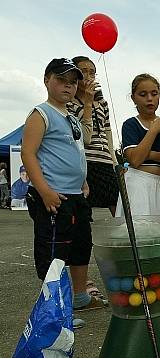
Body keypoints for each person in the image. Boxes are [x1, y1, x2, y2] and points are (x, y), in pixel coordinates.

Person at [21, 58, 108, 329]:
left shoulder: (69, 116)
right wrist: (45, 191)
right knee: (54, 253)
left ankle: (79, 297)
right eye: (61, 80)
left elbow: (82, 143)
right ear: (47, 79)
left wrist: (82, 182)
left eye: (73, 82)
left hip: (76, 195)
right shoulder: (41, 113)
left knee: (81, 247)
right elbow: (28, 153)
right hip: (53, 196)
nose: (68, 87)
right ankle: (53, 308)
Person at [67, 56, 118, 216]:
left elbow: (107, 132)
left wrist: (114, 161)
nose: (89, 76)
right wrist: (88, 102)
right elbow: (84, 137)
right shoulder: (69, 104)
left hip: (104, 160)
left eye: (92, 73)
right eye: (84, 72)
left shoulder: (102, 103)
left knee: (117, 203)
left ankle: (126, 236)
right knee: (83, 206)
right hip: (85, 161)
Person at [117, 74, 160, 216]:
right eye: (143, 94)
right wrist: (152, 131)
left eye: (154, 94)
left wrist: (145, 154)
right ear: (133, 97)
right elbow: (134, 160)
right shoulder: (130, 124)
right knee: (140, 230)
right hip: (138, 184)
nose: (149, 99)